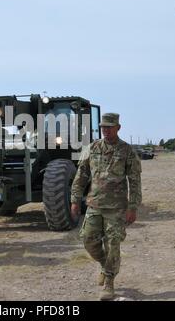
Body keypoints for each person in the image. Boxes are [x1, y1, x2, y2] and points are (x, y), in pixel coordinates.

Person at [70, 113, 142, 300]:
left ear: (118, 128)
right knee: (88, 240)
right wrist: (75, 199)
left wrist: (133, 207)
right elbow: (81, 176)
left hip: (117, 208)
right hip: (94, 204)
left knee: (113, 245)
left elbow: (134, 181)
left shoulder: (127, 151)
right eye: (103, 127)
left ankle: (109, 282)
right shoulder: (92, 148)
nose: (105, 130)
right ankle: (105, 264)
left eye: (109, 127)